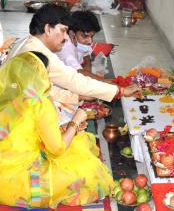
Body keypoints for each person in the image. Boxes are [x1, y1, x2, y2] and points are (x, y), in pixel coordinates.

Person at [0, 51, 114, 208]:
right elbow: (57, 149)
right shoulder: (38, 101)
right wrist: (76, 120)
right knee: (87, 170)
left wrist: (65, 128)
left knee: (77, 139)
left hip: (3, 172)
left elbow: (21, 133)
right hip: (21, 183)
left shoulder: (8, 95)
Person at [6, 4, 139, 105]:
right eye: (63, 31)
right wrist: (119, 91)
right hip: (12, 117)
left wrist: (76, 97)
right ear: (47, 29)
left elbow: (39, 91)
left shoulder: (26, 42)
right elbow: (74, 80)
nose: (65, 37)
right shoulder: (39, 55)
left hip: (15, 105)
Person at [56, 10, 108, 81]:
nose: (90, 41)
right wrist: (109, 83)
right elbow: (79, 73)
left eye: (92, 36)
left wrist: (88, 72)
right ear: (72, 34)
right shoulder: (65, 50)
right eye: (85, 36)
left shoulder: (78, 43)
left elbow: (86, 55)